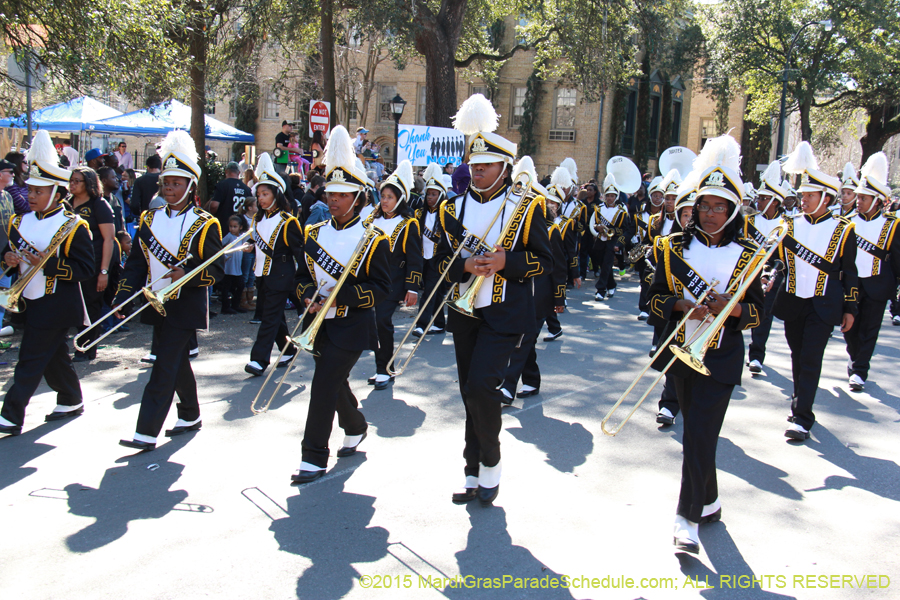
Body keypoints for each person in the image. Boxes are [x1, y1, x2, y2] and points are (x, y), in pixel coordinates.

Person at [647, 133, 764, 555]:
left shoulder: (751, 254)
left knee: (698, 436)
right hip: (680, 353)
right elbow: (652, 299)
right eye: (704, 205)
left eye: (720, 207)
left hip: (722, 359)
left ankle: (686, 520)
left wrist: (729, 309)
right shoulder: (670, 246)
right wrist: (681, 303)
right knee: (698, 439)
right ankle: (709, 503)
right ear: (693, 207)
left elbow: (756, 312)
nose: (711, 213)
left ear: (733, 211)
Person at [436, 94, 552, 506]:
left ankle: (492, 460)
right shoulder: (450, 208)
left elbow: (544, 262)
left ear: (504, 167)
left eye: (486, 166)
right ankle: (472, 471)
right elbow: (437, 261)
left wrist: (507, 261)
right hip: (465, 311)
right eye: (474, 165)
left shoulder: (528, 206)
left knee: (484, 386)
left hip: (505, 313)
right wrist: (462, 269)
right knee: (470, 390)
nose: (478, 171)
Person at [290, 124, 391, 484]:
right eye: (331, 193)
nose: (334, 199)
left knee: (323, 382)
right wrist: (306, 294)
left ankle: (313, 456)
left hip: (351, 323)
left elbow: (380, 288)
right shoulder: (313, 233)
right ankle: (357, 424)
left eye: (343, 194)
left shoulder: (372, 237)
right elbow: (300, 275)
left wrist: (339, 294)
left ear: (358, 197)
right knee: (334, 383)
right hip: (319, 322)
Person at [115, 131, 223, 451]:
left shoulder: (206, 224)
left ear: (190, 186)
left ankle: (146, 431)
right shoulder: (149, 219)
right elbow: (135, 264)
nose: (170, 188)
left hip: (185, 305)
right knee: (176, 362)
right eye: (166, 182)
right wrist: (122, 296)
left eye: (177, 183)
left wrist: (186, 274)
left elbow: (214, 270)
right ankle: (190, 414)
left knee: (163, 364)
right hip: (154, 302)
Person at [0, 130, 94, 436]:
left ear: (56, 192)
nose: (31, 196)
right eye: (29, 190)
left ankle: (11, 415)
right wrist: (9, 258)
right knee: (52, 357)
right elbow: (7, 251)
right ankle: (70, 398)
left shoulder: (73, 226)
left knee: (29, 358)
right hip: (29, 301)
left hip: (57, 304)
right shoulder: (19, 221)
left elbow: (84, 269)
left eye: (38, 191)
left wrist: (48, 263)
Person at [776, 141, 858, 442]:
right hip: (793, 301)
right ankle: (800, 402)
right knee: (798, 356)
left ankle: (801, 418)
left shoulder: (843, 229)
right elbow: (776, 260)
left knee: (811, 357)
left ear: (825, 198)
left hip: (824, 305)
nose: (804, 200)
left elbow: (850, 272)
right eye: (802, 195)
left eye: (810, 196)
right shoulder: (790, 225)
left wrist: (850, 308)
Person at [501, 175, 567, 401]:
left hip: (540, 297)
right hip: (518, 294)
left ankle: (508, 387)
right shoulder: (512, 229)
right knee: (524, 341)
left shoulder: (552, 231)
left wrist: (559, 300)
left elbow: (558, 268)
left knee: (522, 341)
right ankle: (531, 380)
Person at [244, 154, 305, 377]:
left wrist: (304, 280)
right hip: (261, 274)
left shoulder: (288, 221)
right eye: (259, 194)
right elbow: (257, 240)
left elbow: (300, 251)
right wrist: (251, 245)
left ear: (277, 195)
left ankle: (259, 360)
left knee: (269, 317)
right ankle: (288, 351)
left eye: (265, 194)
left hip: (281, 275)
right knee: (275, 316)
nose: (260, 198)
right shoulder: (257, 220)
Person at [364, 159, 422, 390]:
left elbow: (414, 258)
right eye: (383, 196)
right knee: (371, 324)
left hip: (391, 283)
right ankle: (383, 366)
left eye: (390, 197)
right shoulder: (371, 220)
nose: (385, 201)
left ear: (400, 199)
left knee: (382, 322)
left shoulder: (409, 224)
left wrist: (412, 288)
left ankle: (384, 369)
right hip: (368, 281)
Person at [843, 153, 898, 392]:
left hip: (877, 284)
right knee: (850, 329)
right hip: (852, 284)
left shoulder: (892, 225)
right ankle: (855, 359)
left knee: (869, 329)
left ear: (877, 201)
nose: (858, 201)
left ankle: (859, 370)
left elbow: (897, 257)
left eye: (864, 198)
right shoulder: (848, 221)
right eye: (858, 197)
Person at [68, 167, 117, 362]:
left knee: (90, 307)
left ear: (88, 183)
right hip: (70, 266)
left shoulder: (99, 205)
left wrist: (103, 271)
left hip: (94, 265)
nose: (72, 184)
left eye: (77, 181)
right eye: (71, 180)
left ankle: (86, 348)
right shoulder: (66, 204)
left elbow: (109, 239)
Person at [744, 162, 788, 375]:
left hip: (770, 277)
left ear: (774, 201)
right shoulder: (748, 221)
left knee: (763, 315)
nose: (758, 201)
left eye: (763, 198)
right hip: (745, 273)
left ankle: (756, 355)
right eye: (759, 197)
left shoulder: (787, 224)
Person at [413, 163, 449, 337]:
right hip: (422, 258)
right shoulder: (419, 213)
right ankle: (440, 323)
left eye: (434, 194)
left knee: (429, 291)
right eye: (428, 193)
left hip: (437, 259)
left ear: (441, 195)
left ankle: (421, 324)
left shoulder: (446, 214)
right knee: (434, 291)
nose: (430, 197)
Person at [590, 170, 632, 301]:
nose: (610, 198)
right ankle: (612, 285)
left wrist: (613, 234)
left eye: (613, 196)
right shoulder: (599, 209)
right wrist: (598, 228)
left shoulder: (621, 211)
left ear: (616, 197)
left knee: (607, 264)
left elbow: (625, 229)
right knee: (602, 263)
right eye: (608, 196)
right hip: (600, 240)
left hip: (612, 241)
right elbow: (594, 224)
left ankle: (600, 290)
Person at [0, 160, 17, 339]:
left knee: (3, 296)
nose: (13, 174)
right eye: (9, 172)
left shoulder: (7, 196)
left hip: (6, 255)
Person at [208, 161, 252, 230]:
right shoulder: (247, 189)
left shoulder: (222, 185)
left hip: (225, 227)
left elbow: (214, 206)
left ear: (226, 171)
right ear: (239, 173)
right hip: (241, 228)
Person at [220, 216, 248, 314]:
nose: (232, 229)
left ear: (240, 227)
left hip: (237, 267)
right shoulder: (229, 236)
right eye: (231, 226)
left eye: (235, 226)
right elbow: (221, 244)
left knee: (240, 285)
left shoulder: (241, 236)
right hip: (229, 267)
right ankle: (225, 307)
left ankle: (235, 305)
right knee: (227, 287)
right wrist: (225, 255)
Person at [238, 196, 257, 311]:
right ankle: (243, 300)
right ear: (249, 207)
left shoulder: (258, 218)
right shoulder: (242, 219)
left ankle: (250, 300)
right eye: (256, 205)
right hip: (246, 249)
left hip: (255, 249)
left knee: (251, 275)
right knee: (245, 275)